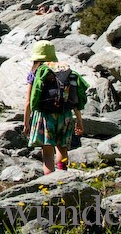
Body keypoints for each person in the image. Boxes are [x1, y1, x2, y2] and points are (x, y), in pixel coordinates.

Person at [23, 40, 87, 174]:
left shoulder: (36, 73)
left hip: (45, 116)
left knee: (47, 152)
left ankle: (50, 183)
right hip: (66, 115)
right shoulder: (65, 71)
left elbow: (28, 101)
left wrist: (26, 123)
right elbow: (75, 99)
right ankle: (62, 177)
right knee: (62, 148)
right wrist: (79, 121)